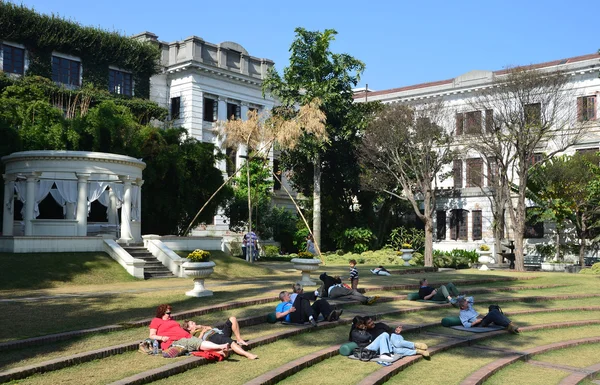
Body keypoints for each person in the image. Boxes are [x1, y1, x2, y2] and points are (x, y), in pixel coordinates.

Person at [149, 304, 229, 356]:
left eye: (170, 313)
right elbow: (151, 335)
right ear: (162, 313)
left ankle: (219, 350)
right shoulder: (156, 320)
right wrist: (162, 338)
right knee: (197, 343)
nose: (170, 315)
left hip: (187, 337)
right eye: (168, 313)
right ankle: (221, 347)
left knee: (197, 342)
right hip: (174, 341)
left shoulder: (171, 320)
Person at [349, 316, 429, 358]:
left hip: (394, 337)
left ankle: (415, 345)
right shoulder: (367, 332)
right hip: (388, 344)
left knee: (397, 343)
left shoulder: (380, 324)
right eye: (369, 323)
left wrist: (396, 330)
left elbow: (390, 330)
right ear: (366, 325)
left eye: (372, 321)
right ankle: (418, 351)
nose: (372, 323)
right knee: (397, 351)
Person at [182, 317, 257, 360]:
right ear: (189, 328)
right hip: (212, 337)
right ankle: (247, 354)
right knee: (229, 341)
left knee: (232, 319)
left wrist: (202, 327)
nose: (194, 323)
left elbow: (211, 328)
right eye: (192, 323)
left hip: (219, 332)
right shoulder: (192, 334)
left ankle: (239, 339)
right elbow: (198, 342)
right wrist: (202, 332)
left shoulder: (200, 327)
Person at [276, 284, 342, 327]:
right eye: (288, 295)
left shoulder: (291, 302)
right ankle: (316, 293)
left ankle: (328, 315)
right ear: (284, 297)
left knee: (320, 301)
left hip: (304, 315)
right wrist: (289, 311)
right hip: (294, 317)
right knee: (300, 296)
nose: (289, 295)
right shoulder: (281, 305)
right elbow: (278, 316)